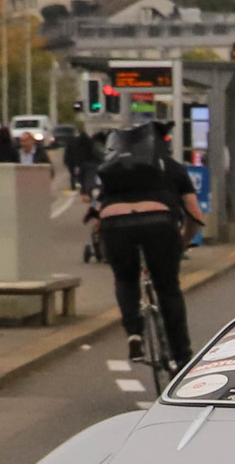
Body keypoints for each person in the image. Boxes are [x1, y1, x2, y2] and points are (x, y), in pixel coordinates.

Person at [83, 122, 203, 369]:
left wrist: (106, 245)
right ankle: (182, 357)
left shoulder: (116, 169)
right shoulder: (172, 168)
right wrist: (182, 243)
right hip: (159, 224)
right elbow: (194, 215)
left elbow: (97, 214)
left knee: (126, 279)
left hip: (115, 224)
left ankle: (134, 334)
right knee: (168, 288)